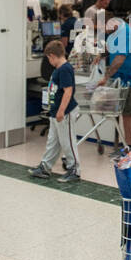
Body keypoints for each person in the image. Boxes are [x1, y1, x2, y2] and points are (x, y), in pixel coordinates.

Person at [29, 39, 81, 184]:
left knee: (68, 141)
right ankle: (45, 166)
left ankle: (74, 170)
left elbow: (68, 91)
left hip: (64, 113)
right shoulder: (59, 69)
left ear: (52, 56)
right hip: (55, 113)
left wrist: (61, 111)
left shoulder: (65, 69)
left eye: (48, 58)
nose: (49, 61)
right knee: (53, 141)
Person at [104, 17, 131, 146]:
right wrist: (101, 55)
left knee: (127, 110)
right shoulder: (115, 32)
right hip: (124, 76)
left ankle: (127, 145)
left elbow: (119, 60)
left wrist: (106, 77)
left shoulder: (125, 34)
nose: (105, 32)